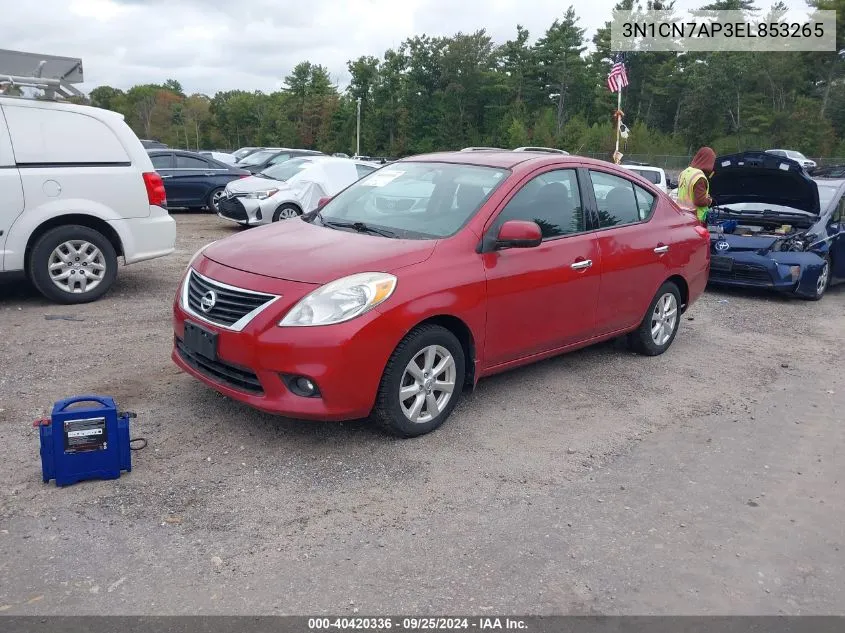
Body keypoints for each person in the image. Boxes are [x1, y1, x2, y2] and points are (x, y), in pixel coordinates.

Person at [677, 147, 716, 223]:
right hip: (695, 219)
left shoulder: (685, 172)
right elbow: (700, 201)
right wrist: (709, 200)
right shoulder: (699, 177)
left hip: (682, 214)